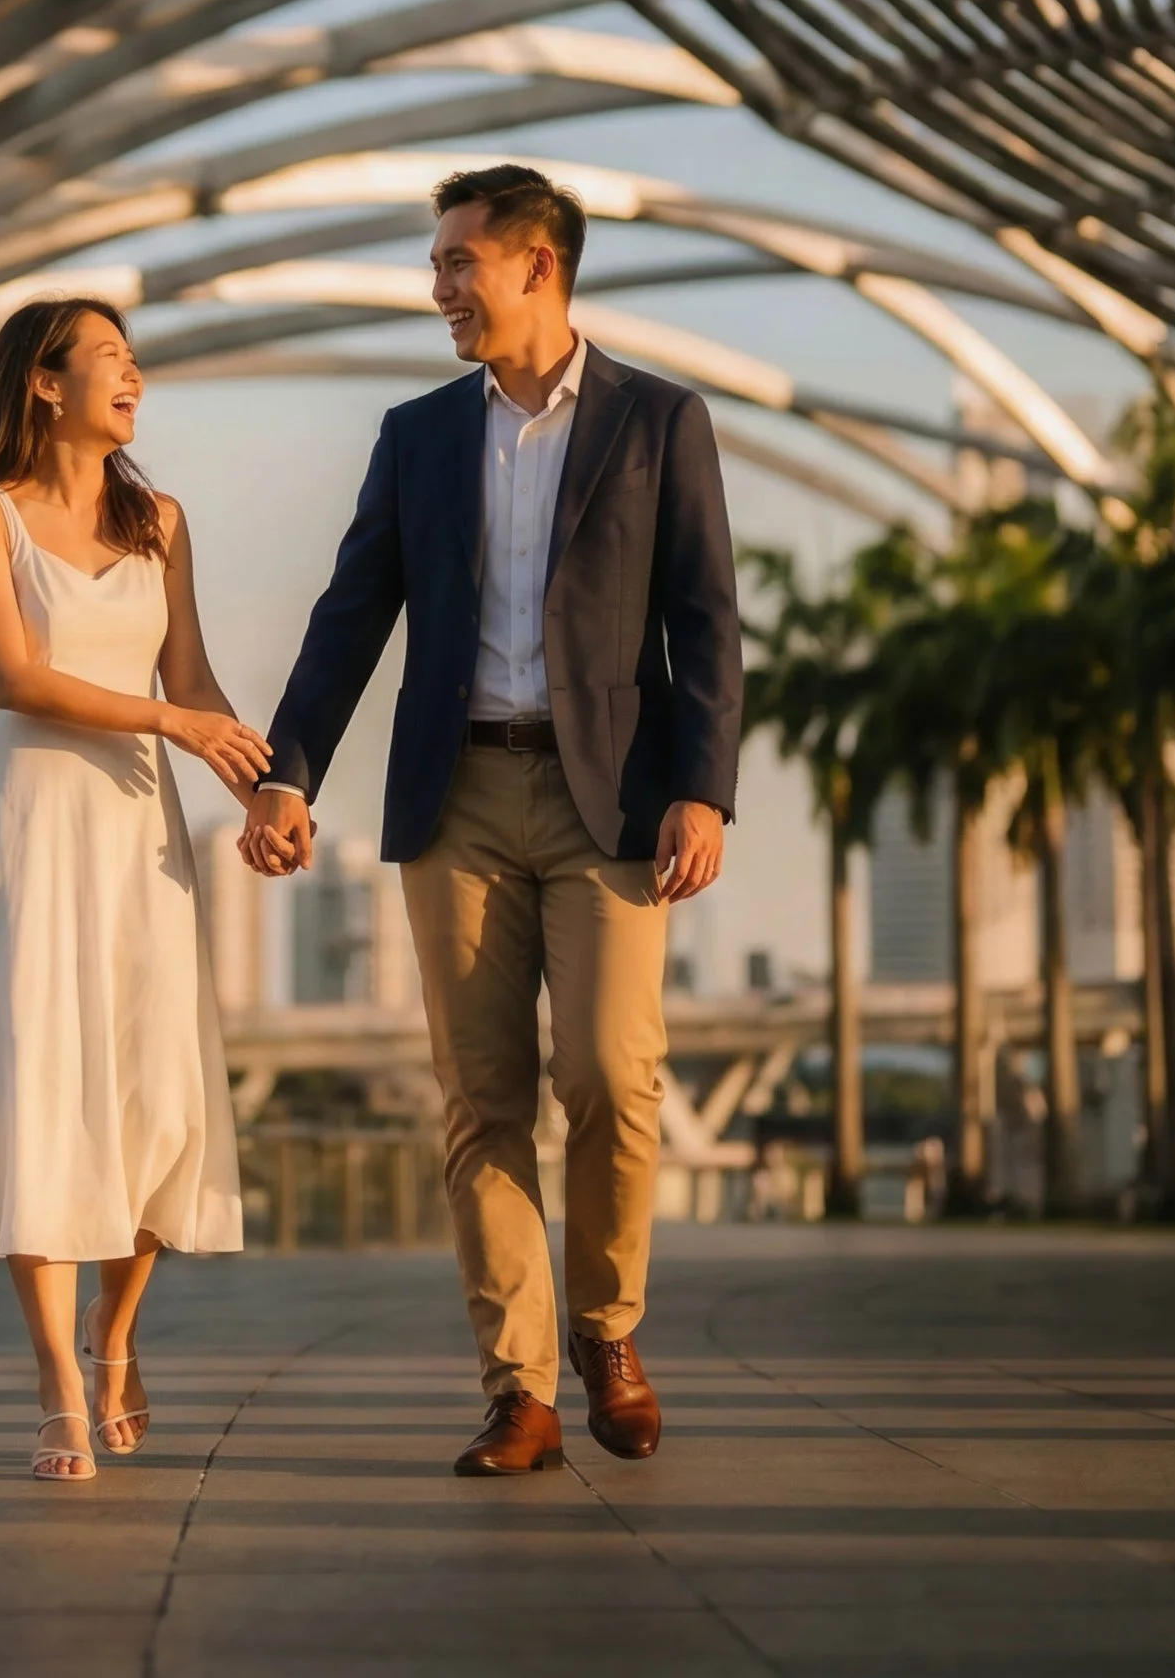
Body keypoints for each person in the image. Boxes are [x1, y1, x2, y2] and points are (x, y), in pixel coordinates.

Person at [242, 164, 740, 1476]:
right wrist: (288, 769)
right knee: (482, 1097)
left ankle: (607, 1328)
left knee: (614, 1076)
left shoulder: (658, 420)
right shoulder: (417, 433)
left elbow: (705, 617)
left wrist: (705, 782)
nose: (439, 286)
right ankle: (519, 1385)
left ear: (539, 265)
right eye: (436, 264)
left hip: (612, 801)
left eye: (459, 261)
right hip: (453, 795)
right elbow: (353, 611)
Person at [0, 296, 267, 1483]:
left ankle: (113, 1341)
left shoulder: (160, 520)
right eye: (111, 359)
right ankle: (59, 1383)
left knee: (155, 1094)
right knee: (42, 1093)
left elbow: (193, 673)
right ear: (44, 385)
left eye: (135, 359)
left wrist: (261, 782)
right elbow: (13, 677)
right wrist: (170, 718)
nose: (137, 378)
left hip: (137, 833)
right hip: (28, 828)